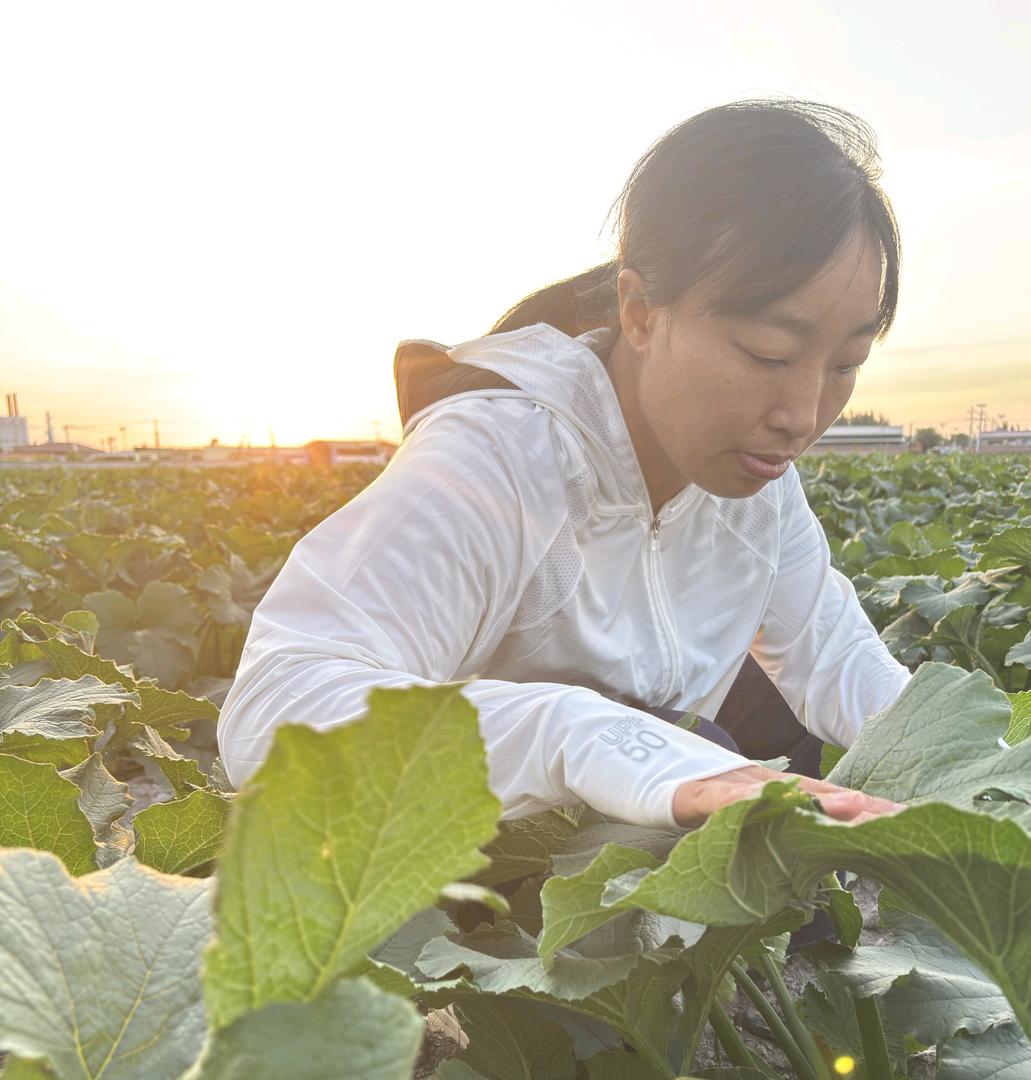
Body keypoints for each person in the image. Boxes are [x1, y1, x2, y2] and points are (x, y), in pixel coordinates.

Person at [217, 98, 909, 837]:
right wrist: (580, 733)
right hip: (462, 852)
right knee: (715, 771)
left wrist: (1000, 782)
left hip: (639, 779)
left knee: (803, 740)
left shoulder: (758, 481)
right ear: (640, 312)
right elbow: (274, 711)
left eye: (846, 364)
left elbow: (839, 660)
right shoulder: (495, 455)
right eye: (768, 355)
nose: (803, 416)